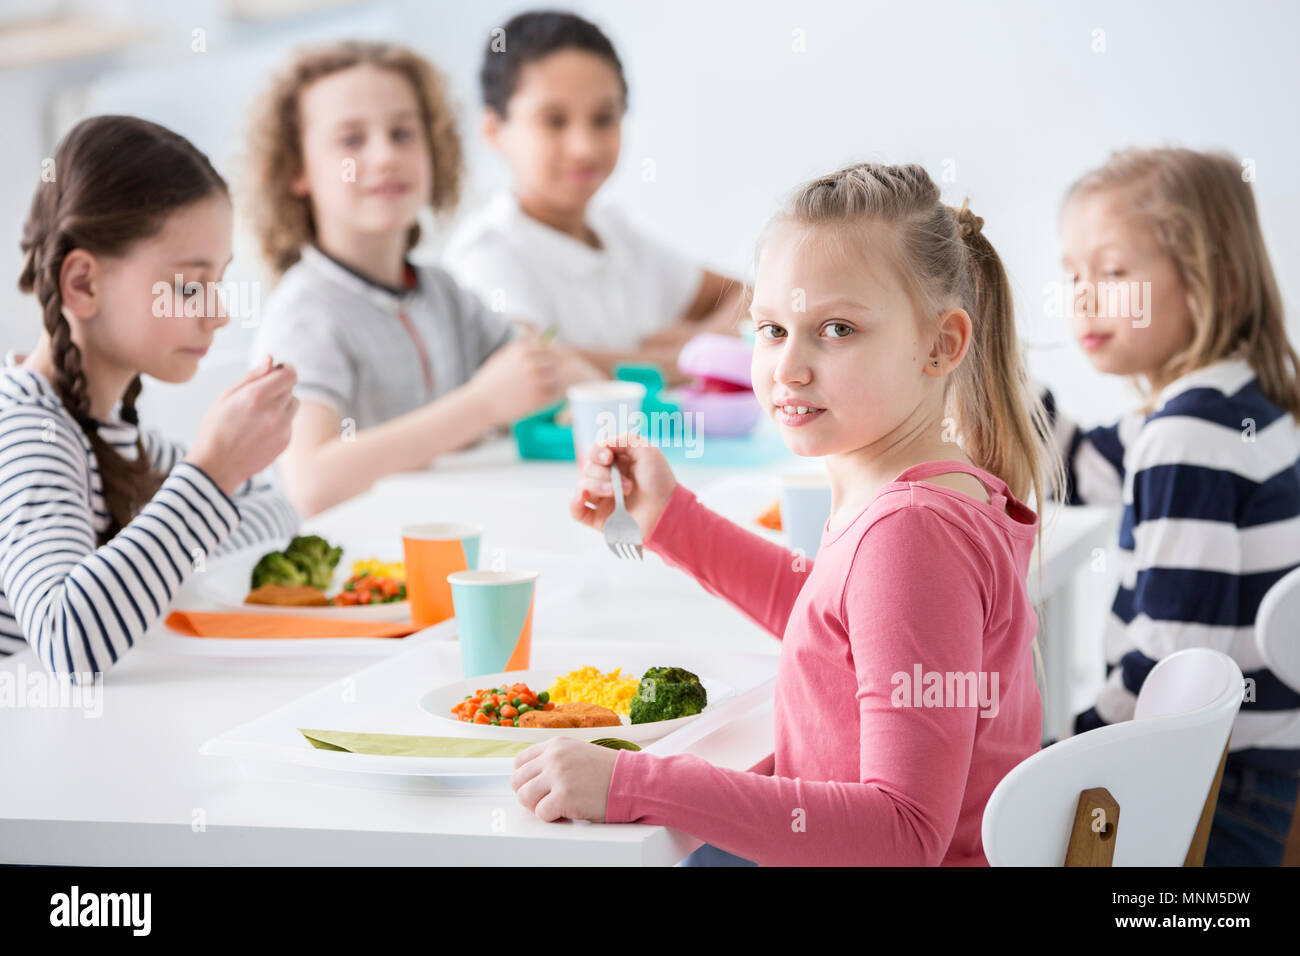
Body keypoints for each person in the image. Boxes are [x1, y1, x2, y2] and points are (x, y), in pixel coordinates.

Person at [512, 163, 1060, 865]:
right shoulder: (939, 490)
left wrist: (632, 783)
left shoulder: (912, 532)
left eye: (836, 329)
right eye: (770, 329)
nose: (789, 368)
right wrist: (668, 518)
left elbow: (904, 832)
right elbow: (835, 617)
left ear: (941, 344)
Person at [1044, 146, 1300, 866]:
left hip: (1215, 793)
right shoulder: (1229, 402)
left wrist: (1066, 748)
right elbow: (1084, 468)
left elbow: (1177, 667)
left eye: (1114, 272)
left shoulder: (1190, 434)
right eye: (1073, 276)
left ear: (1210, 278)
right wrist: (989, 369)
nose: (1084, 297)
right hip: (1258, 772)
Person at [245, 41, 598, 517]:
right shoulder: (305, 311)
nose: (385, 156)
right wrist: (482, 407)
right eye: (351, 140)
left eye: (403, 133)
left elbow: (535, 362)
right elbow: (310, 483)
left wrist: (583, 388)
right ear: (296, 170)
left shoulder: (441, 292)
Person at [0, 115, 299, 677]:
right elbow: (65, 638)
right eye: (190, 286)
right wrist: (212, 475)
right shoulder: (27, 432)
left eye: (220, 282)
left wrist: (194, 514)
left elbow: (279, 514)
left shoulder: (111, 430)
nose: (218, 314)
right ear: (83, 284)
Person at [443, 10, 745, 383]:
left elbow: (748, 295)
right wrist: (691, 359)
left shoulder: (615, 236)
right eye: (553, 120)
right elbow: (533, 368)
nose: (584, 148)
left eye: (604, 118)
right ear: (493, 129)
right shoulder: (486, 253)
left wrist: (705, 337)